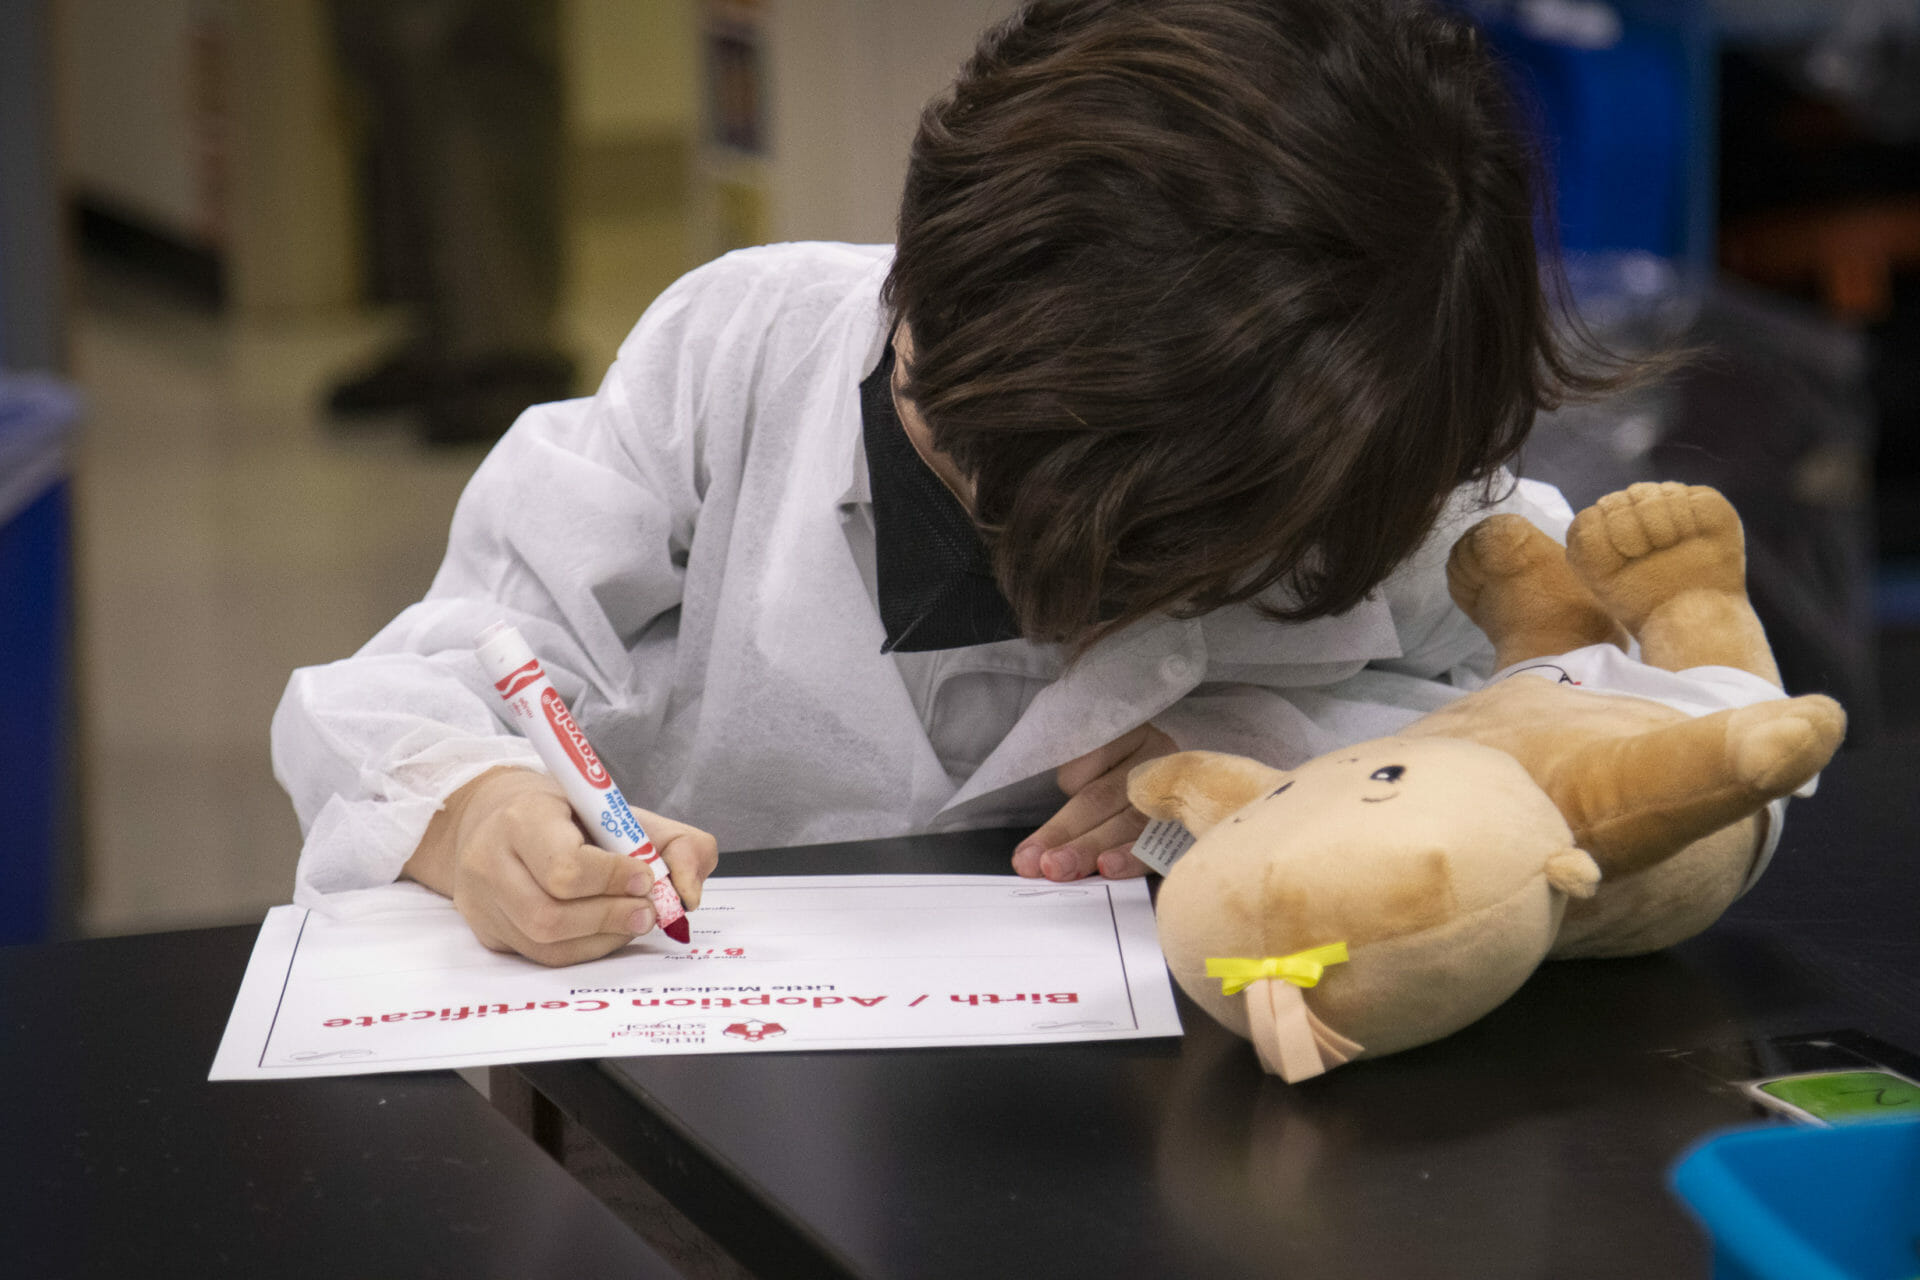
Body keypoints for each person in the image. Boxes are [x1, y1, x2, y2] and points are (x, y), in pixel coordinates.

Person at [274, 0, 1629, 966]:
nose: (987, 518)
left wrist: (1291, 754)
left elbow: (1636, 722)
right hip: (704, 1085)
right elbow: (426, 678)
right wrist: (472, 811)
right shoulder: (740, 354)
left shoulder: (1374, 471)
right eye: (942, 425)